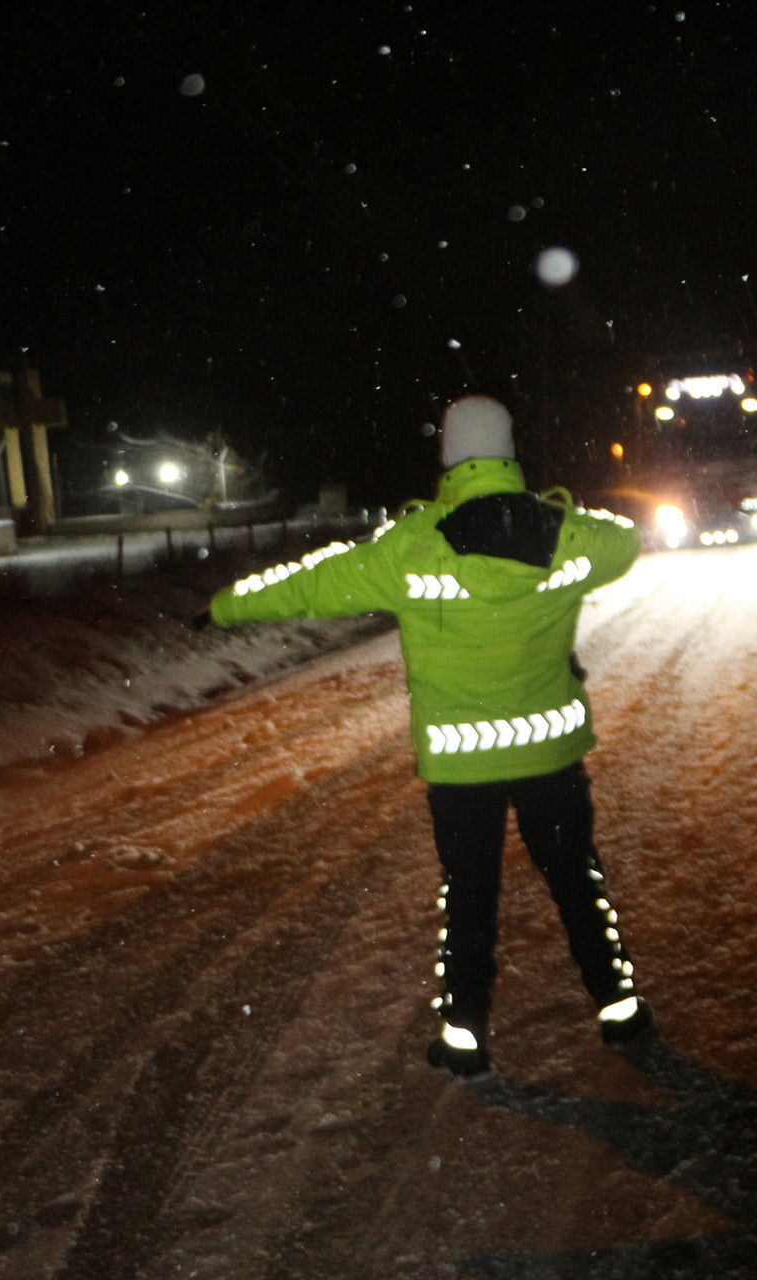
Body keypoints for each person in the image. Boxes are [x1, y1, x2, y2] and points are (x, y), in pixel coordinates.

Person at [203, 395, 650, 1077]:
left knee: (469, 892)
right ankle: (617, 1005)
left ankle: (464, 1033)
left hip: (461, 768)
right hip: (550, 755)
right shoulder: (569, 536)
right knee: (574, 878)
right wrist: (554, 508)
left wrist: (224, 605)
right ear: (508, 452)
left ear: (448, 457)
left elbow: (310, 585)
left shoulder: (407, 547)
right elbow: (625, 539)